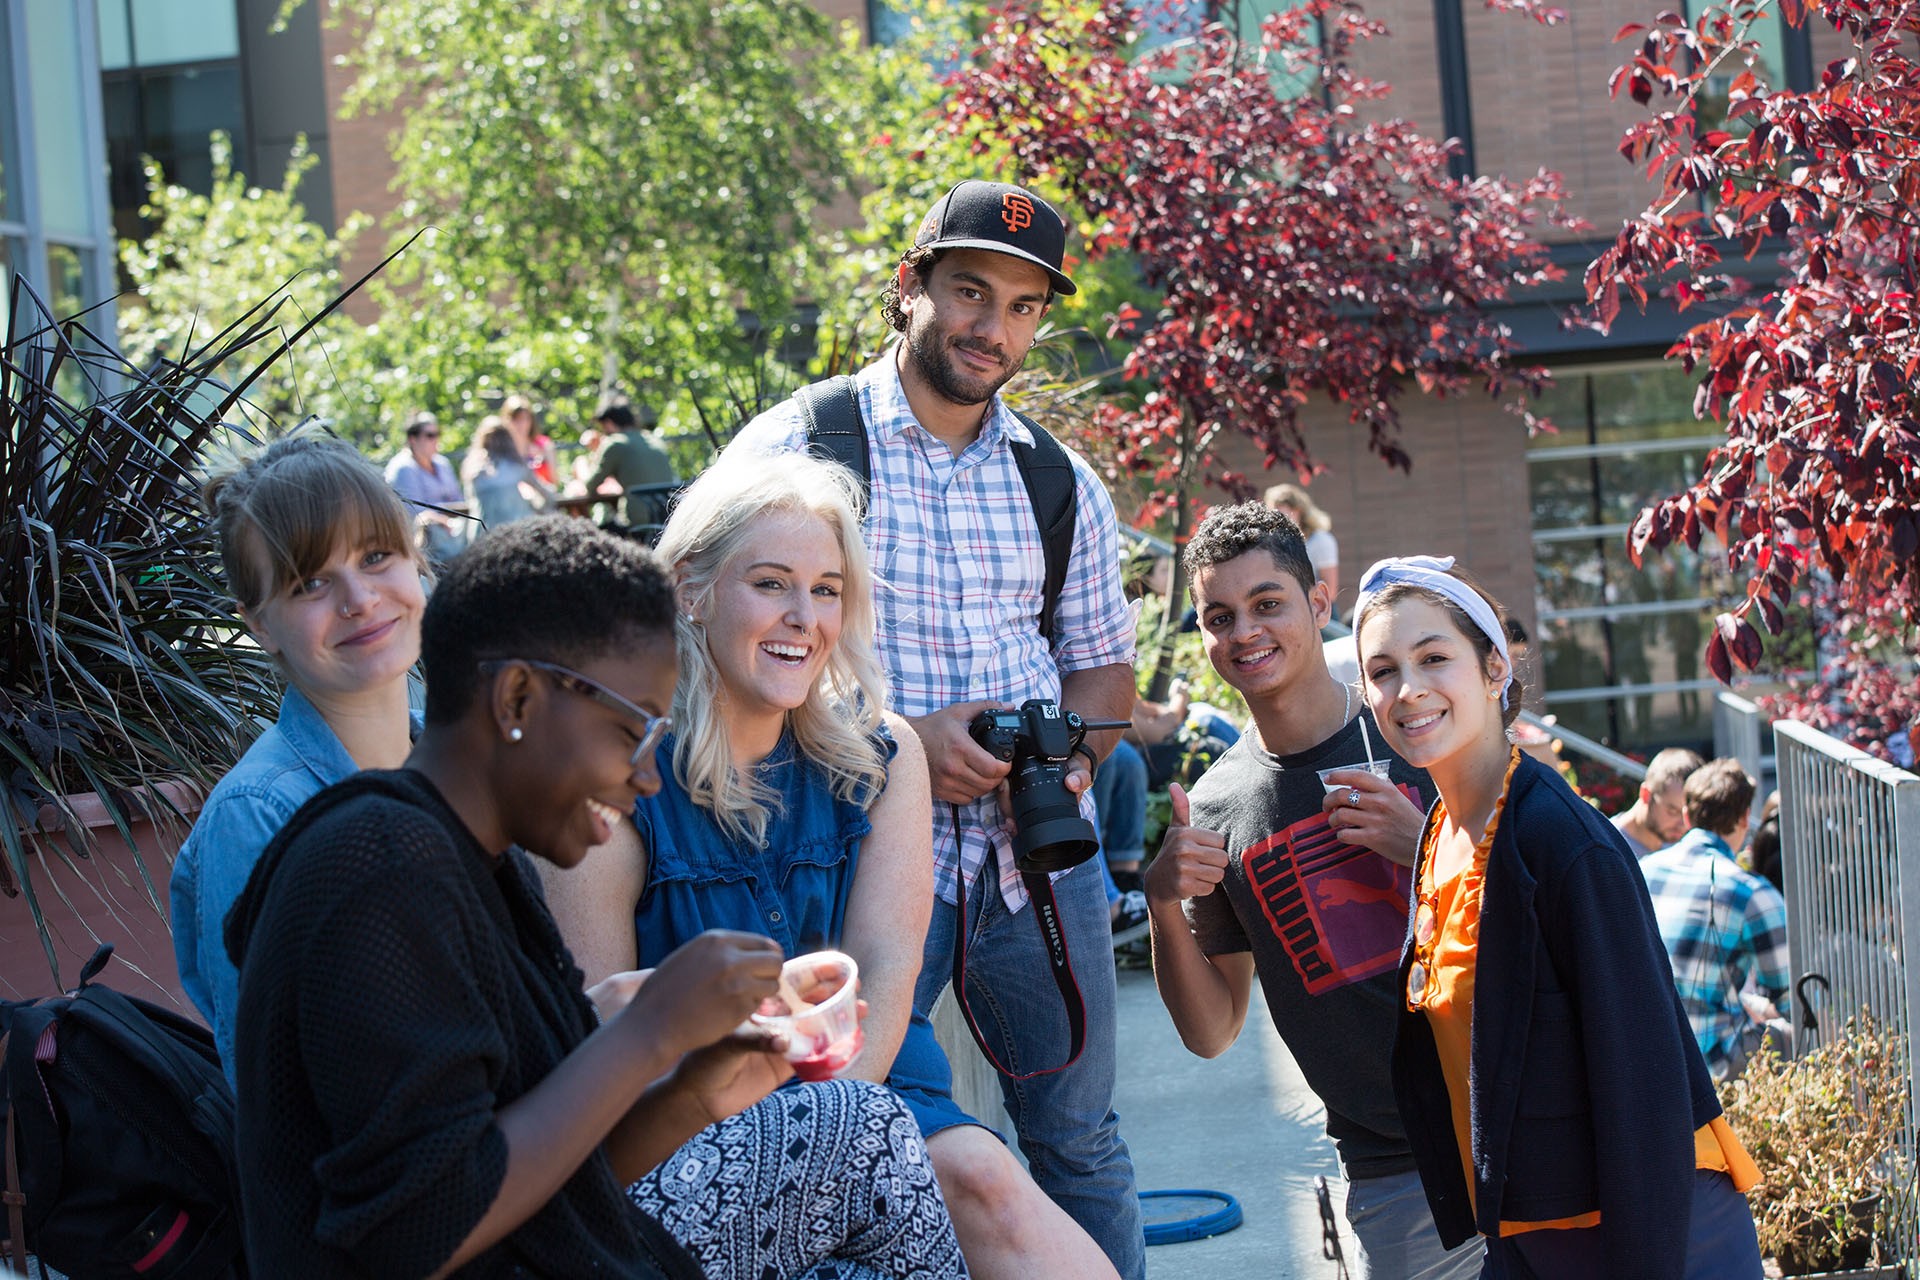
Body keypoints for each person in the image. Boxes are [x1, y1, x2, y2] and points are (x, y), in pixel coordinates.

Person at [222, 517, 967, 1278]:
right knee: (856, 1126)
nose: (647, 778)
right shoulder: (379, 866)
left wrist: (693, 1090)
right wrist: (644, 1030)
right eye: (631, 731)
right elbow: (420, 1231)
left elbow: (555, 1181)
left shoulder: (469, 864)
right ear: (517, 698)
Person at [540, 453, 1117, 1279]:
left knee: (986, 1178)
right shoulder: (612, 782)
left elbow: (884, 971)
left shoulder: (881, 757)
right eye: (770, 583)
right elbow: (596, 1049)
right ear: (688, 590)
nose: (803, 617)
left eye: (827, 588)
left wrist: (834, 1106)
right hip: (686, 1127)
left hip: (873, 1081)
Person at [727, 178, 1146, 1278]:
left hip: (1033, 868)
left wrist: (1061, 760)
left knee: (1081, 1144)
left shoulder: (1058, 481)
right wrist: (911, 740)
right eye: (969, 290)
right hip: (848, 857)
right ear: (908, 288)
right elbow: (718, 642)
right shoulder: (800, 446)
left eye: (1020, 306)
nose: (991, 327)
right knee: (855, 1140)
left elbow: (1104, 667)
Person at [1354, 555, 1762, 1279]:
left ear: (1494, 668)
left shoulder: (1564, 845)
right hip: (1530, 1228)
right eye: (1382, 670)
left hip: (1651, 1228)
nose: (1408, 689)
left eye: (1433, 657)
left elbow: (1645, 1080)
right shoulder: (1442, 832)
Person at [1145, 503, 1481, 1279]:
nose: (1245, 632)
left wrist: (1425, 846)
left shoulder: (1420, 730)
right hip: (1394, 1169)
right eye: (1219, 616)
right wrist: (1163, 902)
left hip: (1524, 1120)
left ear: (1319, 605)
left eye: (1268, 604)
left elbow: (1548, 910)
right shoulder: (1219, 804)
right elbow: (1212, 1030)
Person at [170, 424, 426, 1075]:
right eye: (310, 583)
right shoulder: (257, 817)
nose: (360, 601)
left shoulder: (465, 761)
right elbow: (274, 1091)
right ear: (259, 625)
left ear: (414, 557)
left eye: (375, 558)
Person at [1641, 759, 1791, 1082]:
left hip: (1643, 1053)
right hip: (1709, 1066)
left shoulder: (1642, 870)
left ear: (1686, 815)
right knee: (1794, 1031)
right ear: (1744, 819)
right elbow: (1791, 996)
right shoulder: (1751, 893)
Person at [574, 393, 678, 530]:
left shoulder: (615, 443)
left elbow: (591, 486)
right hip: (668, 517)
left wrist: (580, 465)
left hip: (637, 523)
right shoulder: (654, 440)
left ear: (609, 423)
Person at [384, 410, 467, 563]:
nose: (435, 439)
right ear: (412, 439)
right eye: (430, 435)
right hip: (423, 542)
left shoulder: (443, 463)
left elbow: (458, 499)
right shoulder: (402, 468)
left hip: (452, 532)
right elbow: (414, 512)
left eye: (437, 434)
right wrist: (440, 518)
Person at [1610, 746, 1705, 858]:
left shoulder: (1688, 850)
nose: (1683, 824)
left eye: (1689, 815)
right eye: (1673, 811)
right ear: (1646, 795)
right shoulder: (1607, 845)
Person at [465, 415, 553, 531]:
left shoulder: (472, 468)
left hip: (482, 533)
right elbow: (547, 494)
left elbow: (469, 500)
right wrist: (538, 511)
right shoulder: (516, 465)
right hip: (516, 531)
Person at [1264, 482, 1339, 601]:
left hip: (1318, 606)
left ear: (1298, 511)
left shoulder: (1321, 540)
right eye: (1273, 516)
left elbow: (1331, 591)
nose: (1277, 521)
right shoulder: (1271, 543)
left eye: (1282, 515)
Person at [502, 392, 559, 485]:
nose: (522, 424)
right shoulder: (502, 449)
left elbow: (554, 480)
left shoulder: (544, 445)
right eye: (516, 419)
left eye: (525, 418)